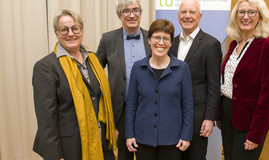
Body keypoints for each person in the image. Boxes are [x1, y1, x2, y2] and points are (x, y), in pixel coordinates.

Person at [32, 9, 117, 160]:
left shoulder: (94, 60)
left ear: (82, 30)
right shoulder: (46, 67)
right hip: (70, 149)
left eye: (75, 28)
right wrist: (54, 156)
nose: (71, 34)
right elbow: (46, 121)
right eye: (64, 29)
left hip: (101, 144)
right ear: (56, 33)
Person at [219, 0, 269, 159]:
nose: (245, 16)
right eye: (241, 12)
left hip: (250, 120)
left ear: (260, 17)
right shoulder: (234, 44)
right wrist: (220, 114)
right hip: (228, 114)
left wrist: (256, 133)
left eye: (251, 12)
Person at [125, 19, 194, 160]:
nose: (161, 43)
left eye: (166, 39)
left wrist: (186, 135)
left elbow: (187, 105)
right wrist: (129, 134)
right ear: (149, 39)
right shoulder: (138, 67)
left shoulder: (182, 68)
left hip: (172, 140)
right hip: (142, 138)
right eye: (157, 37)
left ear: (171, 42)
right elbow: (132, 103)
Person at [95, 0, 151, 159]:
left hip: (148, 109)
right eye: (126, 11)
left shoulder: (152, 38)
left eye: (136, 10)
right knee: (123, 155)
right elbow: (96, 71)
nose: (132, 14)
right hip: (120, 112)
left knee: (147, 155)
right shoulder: (108, 39)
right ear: (119, 15)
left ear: (141, 13)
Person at [169, 0, 222, 159]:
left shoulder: (211, 44)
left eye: (192, 12)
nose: (187, 16)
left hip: (197, 119)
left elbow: (214, 85)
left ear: (200, 16)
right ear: (178, 16)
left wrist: (209, 118)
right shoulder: (171, 43)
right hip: (172, 117)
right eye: (183, 12)